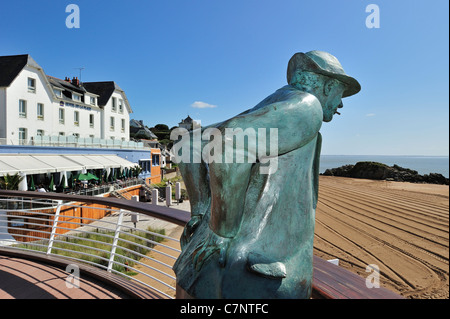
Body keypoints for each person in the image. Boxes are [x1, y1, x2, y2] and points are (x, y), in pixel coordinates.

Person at [173, 51, 361, 299]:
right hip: (255, 280)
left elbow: (187, 143)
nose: (341, 103)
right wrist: (221, 232)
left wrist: (201, 212)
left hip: (203, 270)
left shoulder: (272, 103)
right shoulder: (307, 107)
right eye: (341, 92)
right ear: (327, 85)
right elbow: (229, 147)